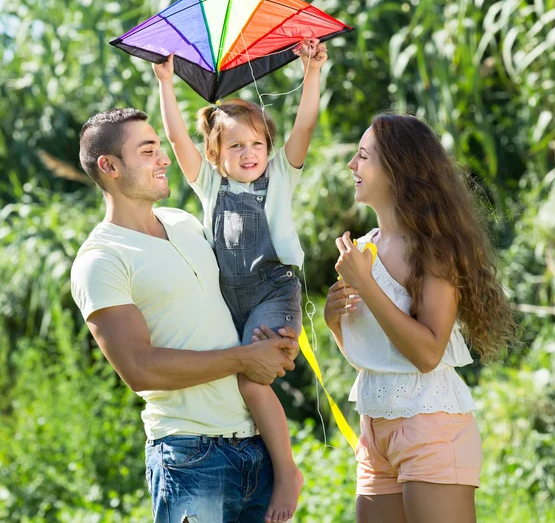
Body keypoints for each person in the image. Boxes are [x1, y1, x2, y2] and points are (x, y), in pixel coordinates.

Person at [70, 107, 300, 523]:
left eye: (159, 147)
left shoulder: (186, 223)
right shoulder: (101, 259)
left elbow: (240, 296)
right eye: (147, 151)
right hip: (189, 456)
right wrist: (246, 359)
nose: (163, 159)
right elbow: (140, 369)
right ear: (109, 166)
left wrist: (276, 339)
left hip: (256, 445)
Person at [152, 38, 328, 523]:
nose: (249, 153)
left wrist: (311, 72)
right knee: (235, 379)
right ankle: (249, 465)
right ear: (216, 155)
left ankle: (288, 471)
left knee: (252, 382)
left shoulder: (281, 177)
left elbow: (306, 124)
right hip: (228, 301)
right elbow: (176, 141)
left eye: (257, 143)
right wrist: (166, 84)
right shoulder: (210, 185)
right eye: (236, 145)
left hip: (273, 289)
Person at [323, 114, 517, 523]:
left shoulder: (432, 251)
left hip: (430, 426)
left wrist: (366, 284)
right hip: (375, 432)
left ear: (397, 171)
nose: (351, 166)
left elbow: (427, 353)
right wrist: (334, 322)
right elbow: (376, 357)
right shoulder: (363, 249)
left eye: (362, 157)